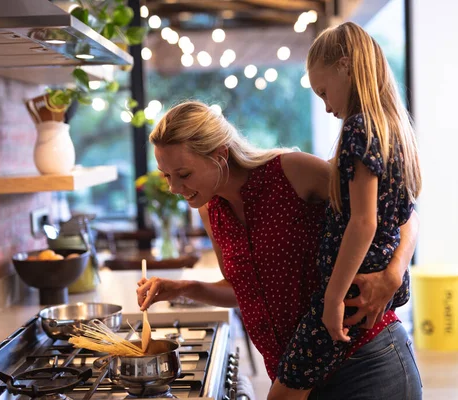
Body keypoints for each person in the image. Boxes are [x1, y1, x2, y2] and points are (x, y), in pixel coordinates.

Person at [136, 100, 421, 399]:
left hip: (364, 361)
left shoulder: (291, 172)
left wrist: (394, 273)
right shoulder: (210, 211)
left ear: (220, 155)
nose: (174, 188)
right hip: (296, 375)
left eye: (183, 174)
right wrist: (180, 288)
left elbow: (398, 213)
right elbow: (243, 292)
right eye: (166, 176)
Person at [268, 21, 422, 400]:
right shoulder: (391, 128)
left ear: (345, 66)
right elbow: (401, 216)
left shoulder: (359, 129)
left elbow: (363, 222)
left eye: (323, 91)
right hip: (373, 283)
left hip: (351, 290)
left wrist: (332, 298)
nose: (325, 106)